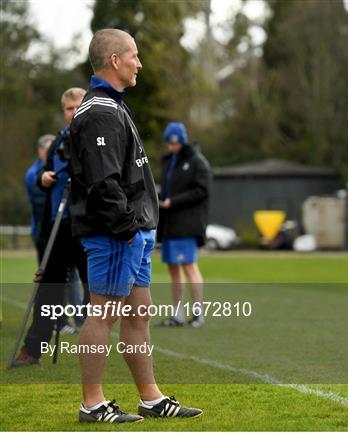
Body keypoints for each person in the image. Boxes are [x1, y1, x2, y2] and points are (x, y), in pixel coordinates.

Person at [69, 29, 202, 423]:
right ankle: (92, 403)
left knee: (139, 314)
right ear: (114, 60)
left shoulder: (114, 106)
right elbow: (102, 183)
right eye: (134, 55)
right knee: (102, 316)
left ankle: (151, 397)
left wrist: (139, 229)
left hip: (133, 233)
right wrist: (127, 228)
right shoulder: (99, 112)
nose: (139, 63)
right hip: (115, 234)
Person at [14, 88, 89, 366]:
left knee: (96, 292)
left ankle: (96, 348)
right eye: (69, 108)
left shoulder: (96, 136)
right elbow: (42, 178)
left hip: (87, 227)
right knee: (47, 290)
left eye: (78, 106)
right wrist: (44, 178)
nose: (73, 112)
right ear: (63, 110)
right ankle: (32, 349)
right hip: (58, 227)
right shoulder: (59, 139)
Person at [157, 122, 212, 328]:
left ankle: (198, 313)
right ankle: (177, 314)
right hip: (169, 224)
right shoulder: (168, 161)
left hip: (187, 224)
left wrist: (174, 201)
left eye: (175, 141)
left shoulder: (197, 162)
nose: (171, 146)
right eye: (169, 142)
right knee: (173, 268)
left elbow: (202, 191)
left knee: (189, 266)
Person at [24, 134, 55, 252]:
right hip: (42, 229)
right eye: (50, 150)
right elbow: (41, 203)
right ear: (41, 151)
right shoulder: (33, 174)